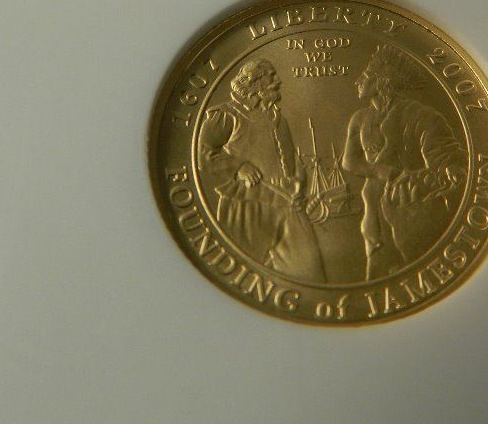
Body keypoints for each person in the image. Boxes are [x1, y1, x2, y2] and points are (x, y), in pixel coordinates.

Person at [197, 58, 326, 282]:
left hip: (287, 204)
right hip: (247, 205)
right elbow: (203, 154)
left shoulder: (277, 118)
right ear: (254, 82)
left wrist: (299, 184)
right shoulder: (227, 115)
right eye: (271, 76)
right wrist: (239, 167)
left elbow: (292, 160)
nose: (278, 81)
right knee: (239, 277)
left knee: (310, 272)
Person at [341, 44, 464, 279]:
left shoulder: (422, 116)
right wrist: (382, 171)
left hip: (411, 211)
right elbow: (349, 161)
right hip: (372, 211)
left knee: (414, 272)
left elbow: (447, 163)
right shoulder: (360, 119)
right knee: (377, 273)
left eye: (366, 76)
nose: (358, 81)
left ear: (382, 82)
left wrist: (433, 175)